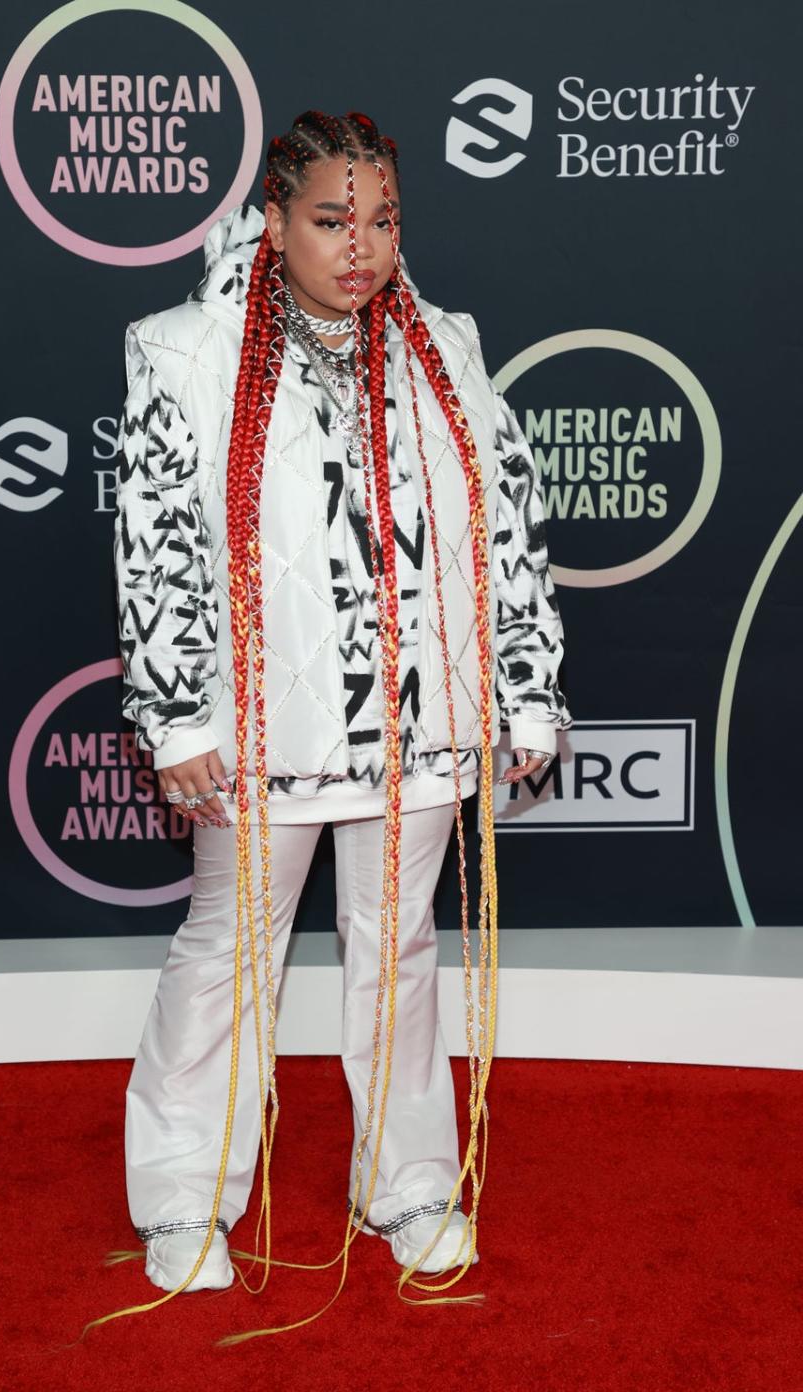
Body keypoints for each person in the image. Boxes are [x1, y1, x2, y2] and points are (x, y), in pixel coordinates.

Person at [111, 110, 572, 1314]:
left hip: (423, 716)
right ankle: (181, 1193)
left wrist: (525, 685)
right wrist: (175, 715)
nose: (358, 246)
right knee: (227, 954)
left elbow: (507, 527)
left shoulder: (446, 346)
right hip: (262, 724)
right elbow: (155, 549)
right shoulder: (182, 349)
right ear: (274, 219)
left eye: (381, 221)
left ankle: (408, 1182)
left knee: (401, 953)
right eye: (330, 220)